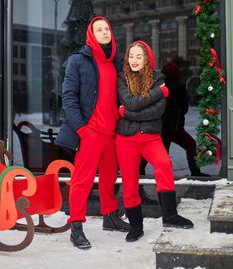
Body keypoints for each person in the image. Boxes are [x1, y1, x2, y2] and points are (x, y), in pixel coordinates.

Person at [56, 16, 130, 250]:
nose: (105, 32)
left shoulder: (116, 61)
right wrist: (82, 129)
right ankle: (76, 226)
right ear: (91, 35)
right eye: (99, 29)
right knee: (82, 181)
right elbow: (68, 97)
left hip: (112, 132)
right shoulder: (78, 60)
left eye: (107, 28)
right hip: (91, 132)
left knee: (109, 178)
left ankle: (110, 216)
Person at [115, 41, 193, 242]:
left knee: (164, 164)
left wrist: (128, 113)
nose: (134, 60)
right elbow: (130, 101)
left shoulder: (158, 78)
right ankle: (136, 226)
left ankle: (170, 215)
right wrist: (160, 92)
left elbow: (157, 111)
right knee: (130, 183)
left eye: (138, 56)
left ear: (147, 59)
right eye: (131, 56)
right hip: (126, 140)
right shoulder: (122, 78)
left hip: (150, 137)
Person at [161, 62, 208, 177]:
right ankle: (195, 172)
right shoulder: (179, 87)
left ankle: (151, 174)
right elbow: (184, 108)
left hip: (162, 128)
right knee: (191, 145)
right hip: (175, 127)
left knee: (162, 154)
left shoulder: (160, 87)